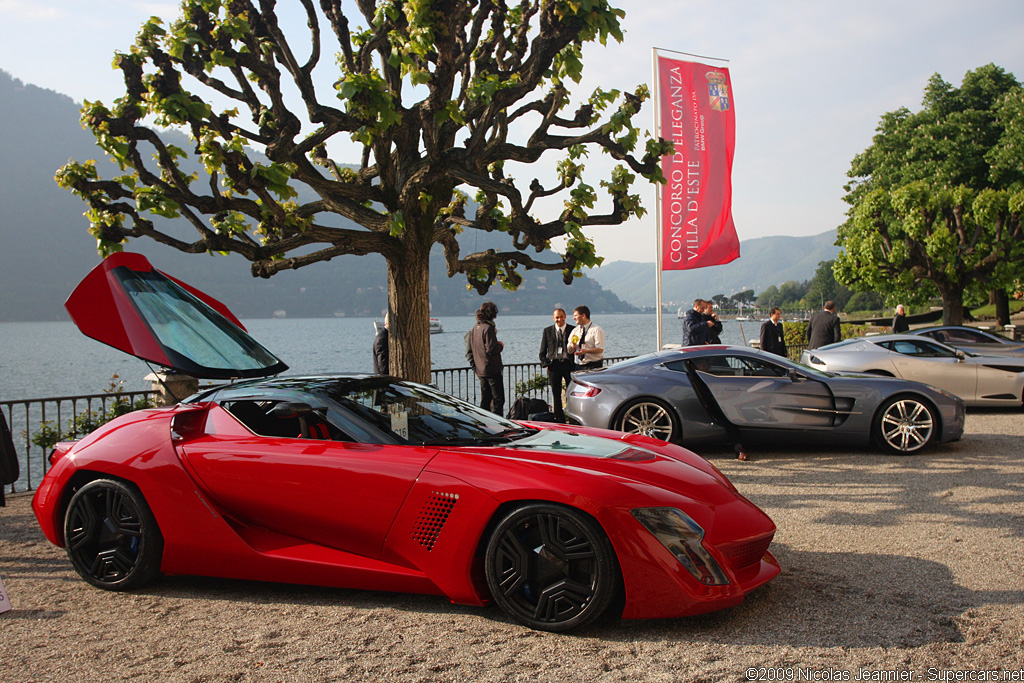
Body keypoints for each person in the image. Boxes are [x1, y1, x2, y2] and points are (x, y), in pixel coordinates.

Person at [469, 301, 505, 415]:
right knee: (498, 398)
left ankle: (483, 422)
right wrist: (500, 345)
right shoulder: (488, 328)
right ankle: (498, 423)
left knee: (485, 398)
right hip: (492, 368)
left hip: (480, 369)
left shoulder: (476, 328)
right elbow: (491, 348)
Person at [539, 308, 574, 422]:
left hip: (569, 365)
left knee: (572, 392)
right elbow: (542, 351)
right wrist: (546, 364)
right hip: (554, 366)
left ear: (565, 317)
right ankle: (559, 418)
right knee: (556, 393)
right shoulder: (547, 331)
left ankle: (573, 417)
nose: (559, 319)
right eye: (557, 317)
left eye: (561, 316)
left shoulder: (572, 330)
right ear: (553, 318)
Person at [567, 305, 605, 370]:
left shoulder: (596, 329)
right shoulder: (575, 331)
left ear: (583, 316)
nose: (574, 318)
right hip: (578, 366)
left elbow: (600, 349)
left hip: (593, 365)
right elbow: (569, 351)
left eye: (576, 315)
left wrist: (586, 351)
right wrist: (573, 345)